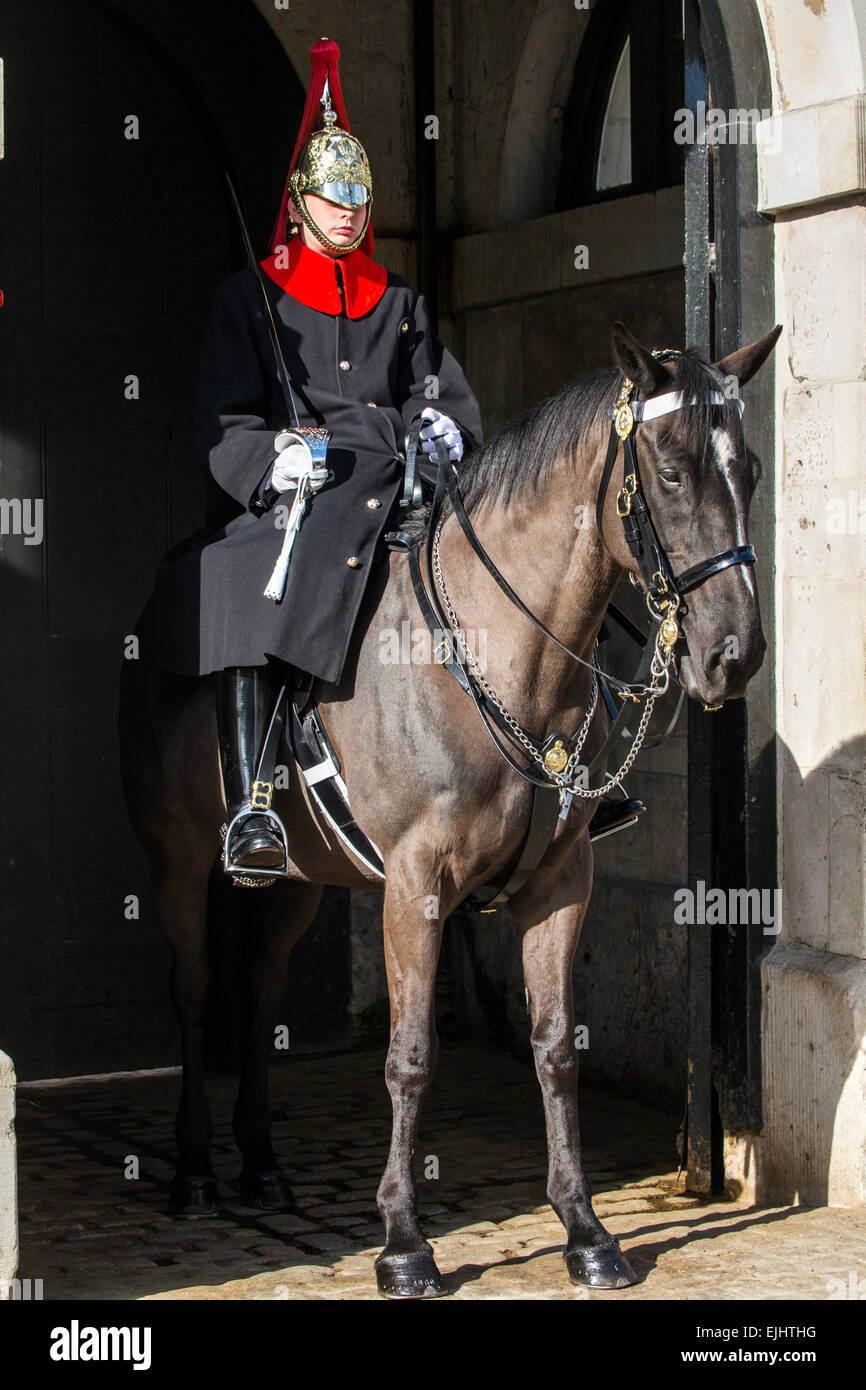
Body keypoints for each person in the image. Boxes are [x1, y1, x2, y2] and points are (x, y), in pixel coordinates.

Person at [136, 37, 641, 879]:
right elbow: (223, 426)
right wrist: (273, 461)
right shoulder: (248, 300)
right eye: (331, 197)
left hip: (403, 484)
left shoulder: (398, 300)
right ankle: (257, 803)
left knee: (535, 564)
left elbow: (434, 390)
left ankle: (576, 766)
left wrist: (444, 425)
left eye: (357, 197)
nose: (346, 210)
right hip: (304, 497)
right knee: (246, 584)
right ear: (297, 204)